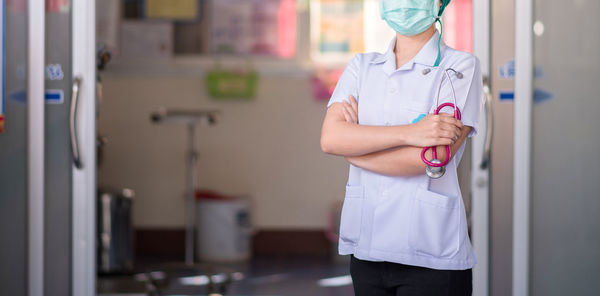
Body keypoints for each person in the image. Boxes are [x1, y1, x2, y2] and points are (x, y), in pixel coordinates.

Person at [320, 0, 483, 295]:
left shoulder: (459, 67)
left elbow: (430, 159)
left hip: (431, 254)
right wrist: (412, 132)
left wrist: (355, 150)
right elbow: (331, 138)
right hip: (367, 250)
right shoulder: (361, 66)